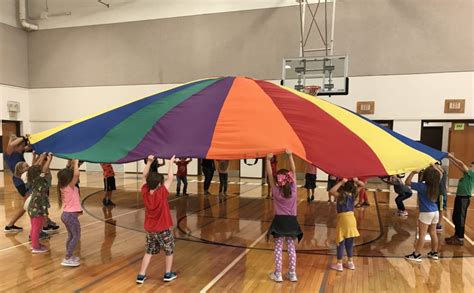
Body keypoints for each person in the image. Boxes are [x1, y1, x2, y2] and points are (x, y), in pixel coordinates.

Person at [136, 155, 177, 284]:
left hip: (150, 229)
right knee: (169, 250)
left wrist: (148, 162)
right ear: (159, 184)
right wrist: (171, 163)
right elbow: (170, 178)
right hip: (163, 228)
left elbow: (143, 176)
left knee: (148, 251)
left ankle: (141, 275)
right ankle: (168, 274)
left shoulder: (145, 191)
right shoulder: (161, 193)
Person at [266, 150, 302, 283]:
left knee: (278, 248)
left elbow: (270, 174)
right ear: (290, 178)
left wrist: (268, 160)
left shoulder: (276, 191)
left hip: (279, 221)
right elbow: (294, 170)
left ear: (278, 180)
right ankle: (292, 274)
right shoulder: (293, 190)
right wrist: (290, 155)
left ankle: (278, 274)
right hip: (292, 221)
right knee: (291, 248)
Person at [404, 166, 441, 262]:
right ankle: (434, 252)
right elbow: (440, 174)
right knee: (433, 233)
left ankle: (416, 255)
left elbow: (407, 182)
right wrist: (434, 166)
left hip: (426, 213)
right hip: (435, 212)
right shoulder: (436, 185)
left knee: (422, 235)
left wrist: (413, 172)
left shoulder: (422, 186)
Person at [329, 178, 363, 271]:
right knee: (349, 242)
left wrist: (341, 182)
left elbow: (331, 190)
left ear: (344, 186)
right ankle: (350, 263)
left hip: (343, 219)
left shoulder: (341, 195)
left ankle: (339, 263)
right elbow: (363, 185)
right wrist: (357, 180)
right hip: (352, 219)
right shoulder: (353, 195)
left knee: (340, 242)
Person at [57, 159, 82, 267]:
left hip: (66, 215)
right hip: (70, 216)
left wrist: (71, 164)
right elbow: (76, 174)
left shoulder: (63, 186)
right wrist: (76, 163)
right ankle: (67, 257)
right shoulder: (69, 187)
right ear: (69, 179)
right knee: (76, 236)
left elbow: (72, 174)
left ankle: (69, 255)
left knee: (71, 235)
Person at [27, 153, 53, 253]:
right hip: (37, 207)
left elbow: (34, 167)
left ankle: (35, 243)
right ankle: (35, 247)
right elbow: (44, 169)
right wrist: (49, 159)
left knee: (35, 227)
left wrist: (41, 157)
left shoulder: (33, 177)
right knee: (37, 227)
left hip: (34, 206)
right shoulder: (39, 179)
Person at [445, 154, 473, 246]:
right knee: (455, 217)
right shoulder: (467, 174)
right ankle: (456, 235)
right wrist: (450, 160)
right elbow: (459, 166)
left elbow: (461, 164)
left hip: (464, 198)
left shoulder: (472, 173)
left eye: (471, 166)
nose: (469, 167)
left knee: (460, 219)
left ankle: (460, 238)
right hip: (459, 197)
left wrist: (452, 157)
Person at [3, 135, 30, 233]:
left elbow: (29, 146)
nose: (24, 148)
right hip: (20, 182)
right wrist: (24, 138)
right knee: (27, 204)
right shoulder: (9, 154)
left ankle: (45, 223)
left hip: (25, 181)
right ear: (17, 146)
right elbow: (11, 144)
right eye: (22, 146)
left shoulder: (19, 152)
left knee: (31, 202)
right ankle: (10, 225)